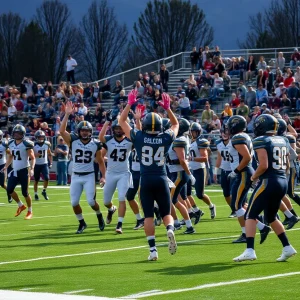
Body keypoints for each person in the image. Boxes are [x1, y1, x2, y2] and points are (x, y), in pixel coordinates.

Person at [119, 91, 179, 261]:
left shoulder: (139, 137)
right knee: (166, 212)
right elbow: (176, 125)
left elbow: (121, 121)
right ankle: (169, 229)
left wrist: (129, 104)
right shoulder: (166, 137)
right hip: (161, 177)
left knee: (148, 216)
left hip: (145, 179)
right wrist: (168, 109)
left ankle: (153, 251)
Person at [234, 114, 297, 262]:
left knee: (250, 215)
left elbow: (263, 165)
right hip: (282, 180)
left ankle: (250, 250)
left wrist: (253, 177)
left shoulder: (261, 140)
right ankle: (287, 247)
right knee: (270, 216)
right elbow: (287, 164)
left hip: (268, 181)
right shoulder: (283, 140)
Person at [60, 102, 106, 234]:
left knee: (91, 202)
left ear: (90, 132)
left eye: (87, 131)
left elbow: (101, 161)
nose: (85, 132)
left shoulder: (95, 144)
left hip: (89, 175)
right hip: (75, 175)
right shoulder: (72, 140)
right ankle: (82, 223)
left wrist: (103, 176)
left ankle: (99, 216)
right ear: (79, 131)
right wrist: (67, 114)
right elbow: (62, 131)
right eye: (82, 130)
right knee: (74, 202)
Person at [99, 114, 136, 234]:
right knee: (106, 201)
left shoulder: (130, 141)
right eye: (116, 128)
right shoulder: (109, 140)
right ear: (113, 129)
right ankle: (111, 209)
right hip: (110, 173)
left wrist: (137, 121)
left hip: (124, 173)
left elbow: (137, 136)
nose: (119, 130)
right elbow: (101, 139)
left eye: (121, 128)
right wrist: (107, 122)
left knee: (121, 198)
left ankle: (119, 224)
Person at [227, 115, 255, 243]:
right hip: (243, 172)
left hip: (243, 172)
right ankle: (261, 224)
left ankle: (246, 234)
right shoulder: (244, 136)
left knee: (236, 204)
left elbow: (247, 157)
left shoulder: (238, 137)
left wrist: (236, 171)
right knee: (241, 203)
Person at [167, 118, 196, 234]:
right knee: (175, 200)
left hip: (179, 173)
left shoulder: (180, 140)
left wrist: (189, 174)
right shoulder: (180, 139)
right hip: (176, 173)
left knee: (170, 200)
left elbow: (182, 160)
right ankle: (182, 224)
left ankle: (182, 224)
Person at [1, 125, 35, 219]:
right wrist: (6, 166)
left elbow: (32, 157)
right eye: (15, 133)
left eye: (18, 133)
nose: (16, 135)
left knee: (25, 192)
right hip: (14, 170)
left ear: (22, 134)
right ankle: (21, 205)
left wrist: (32, 168)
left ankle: (29, 211)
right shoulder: (11, 143)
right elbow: (11, 156)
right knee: (9, 189)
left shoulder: (26, 143)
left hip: (24, 170)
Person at [189, 123, 216, 218]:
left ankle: (211, 206)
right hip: (190, 170)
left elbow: (204, 158)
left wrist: (191, 159)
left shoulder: (200, 141)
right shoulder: (190, 141)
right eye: (192, 131)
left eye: (194, 131)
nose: (193, 133)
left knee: (200, 194)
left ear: (198, 132)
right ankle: (194, 211)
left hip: (199, 169)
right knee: (185, 193)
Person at [215, 123, 235, 217]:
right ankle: (233, 210)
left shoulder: (234, 142)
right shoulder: (219, 144)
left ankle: (239, 209)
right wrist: (215, 172)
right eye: (223, 131)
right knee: (226, 193)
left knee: (234, 192)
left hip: (234, 170)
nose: (225, 133)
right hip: (224, 171)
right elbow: (219, 159)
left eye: (227, 131)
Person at [33, 130, 52, 201]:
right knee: (36, 180)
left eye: (42, 137)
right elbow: (30, 156)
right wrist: (35, 155)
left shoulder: (46, 144)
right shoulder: (33, 145)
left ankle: (44, 191)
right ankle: (35, 194)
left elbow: (49, 153)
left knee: (47, 178)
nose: (41, 138)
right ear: (36, 137)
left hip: (44, 164)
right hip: (36, 164)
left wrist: (51, 162)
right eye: (39, 137)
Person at [0, 130, 15, 203]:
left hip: (2, 165)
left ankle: (9, 194)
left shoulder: (4, 145)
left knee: (3, 184)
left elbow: (10, 154)